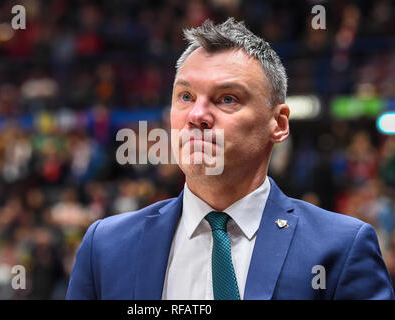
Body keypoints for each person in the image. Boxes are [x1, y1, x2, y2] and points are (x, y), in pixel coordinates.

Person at [66, 18, 394, 300]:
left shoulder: (342, 247)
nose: (197, 115)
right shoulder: (105, 247)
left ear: (278, 124)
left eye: (227, 99)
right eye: (185, 96)